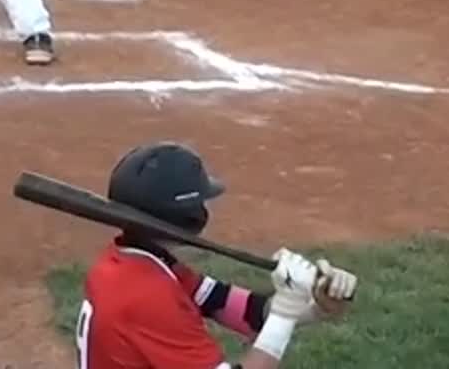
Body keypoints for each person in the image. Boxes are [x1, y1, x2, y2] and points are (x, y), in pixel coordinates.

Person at [76, 143, 360, 369]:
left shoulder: (135, 262)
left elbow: (237, 309)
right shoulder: (146, 296)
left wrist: (314, 307)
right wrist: (284, 314)